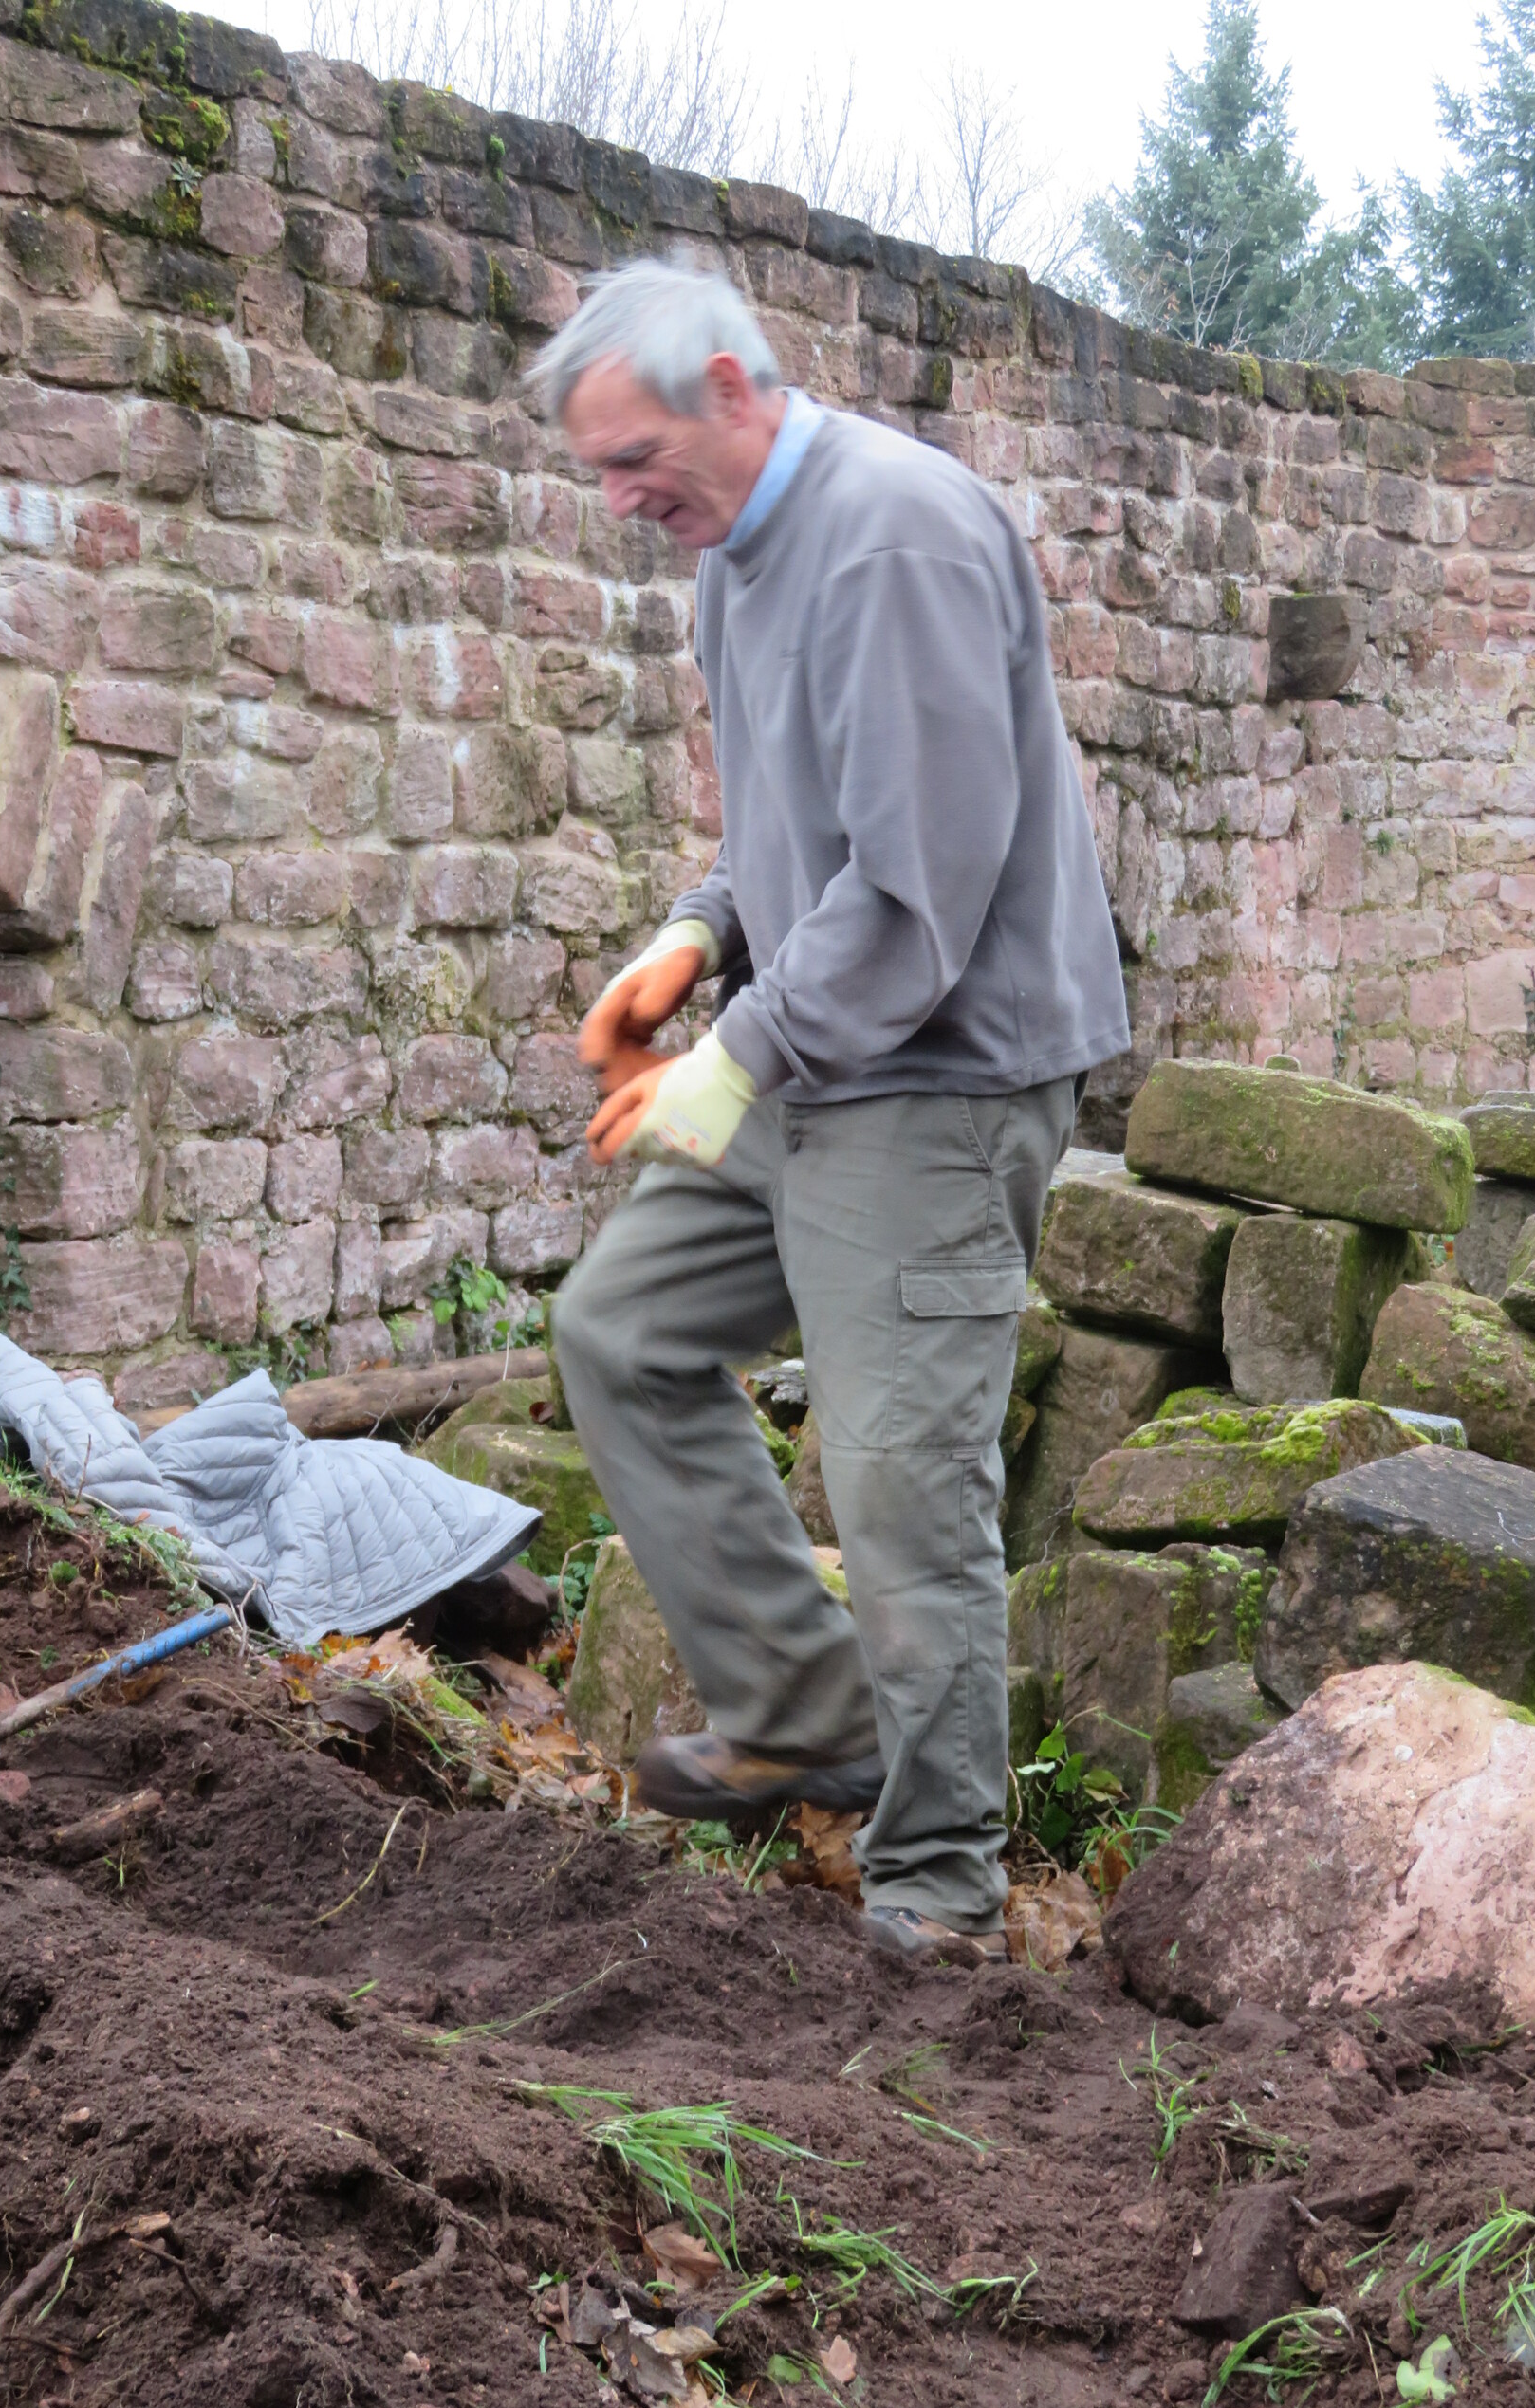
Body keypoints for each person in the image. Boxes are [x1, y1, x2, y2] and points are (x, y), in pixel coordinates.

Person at [539, 260, 1130, 1961]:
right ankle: (808, 1713)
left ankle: (936, 1895)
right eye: (597, 469)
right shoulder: (736, 552)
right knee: (622, 1332)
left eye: (634, 456)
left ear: (732, 388)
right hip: (813, 1051)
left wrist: (730, 1058)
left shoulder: (895, 540)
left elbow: (917, 884)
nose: (620, 497)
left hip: (941, 1082)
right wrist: (692, 939)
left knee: (900, 1485)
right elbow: (791, 827)